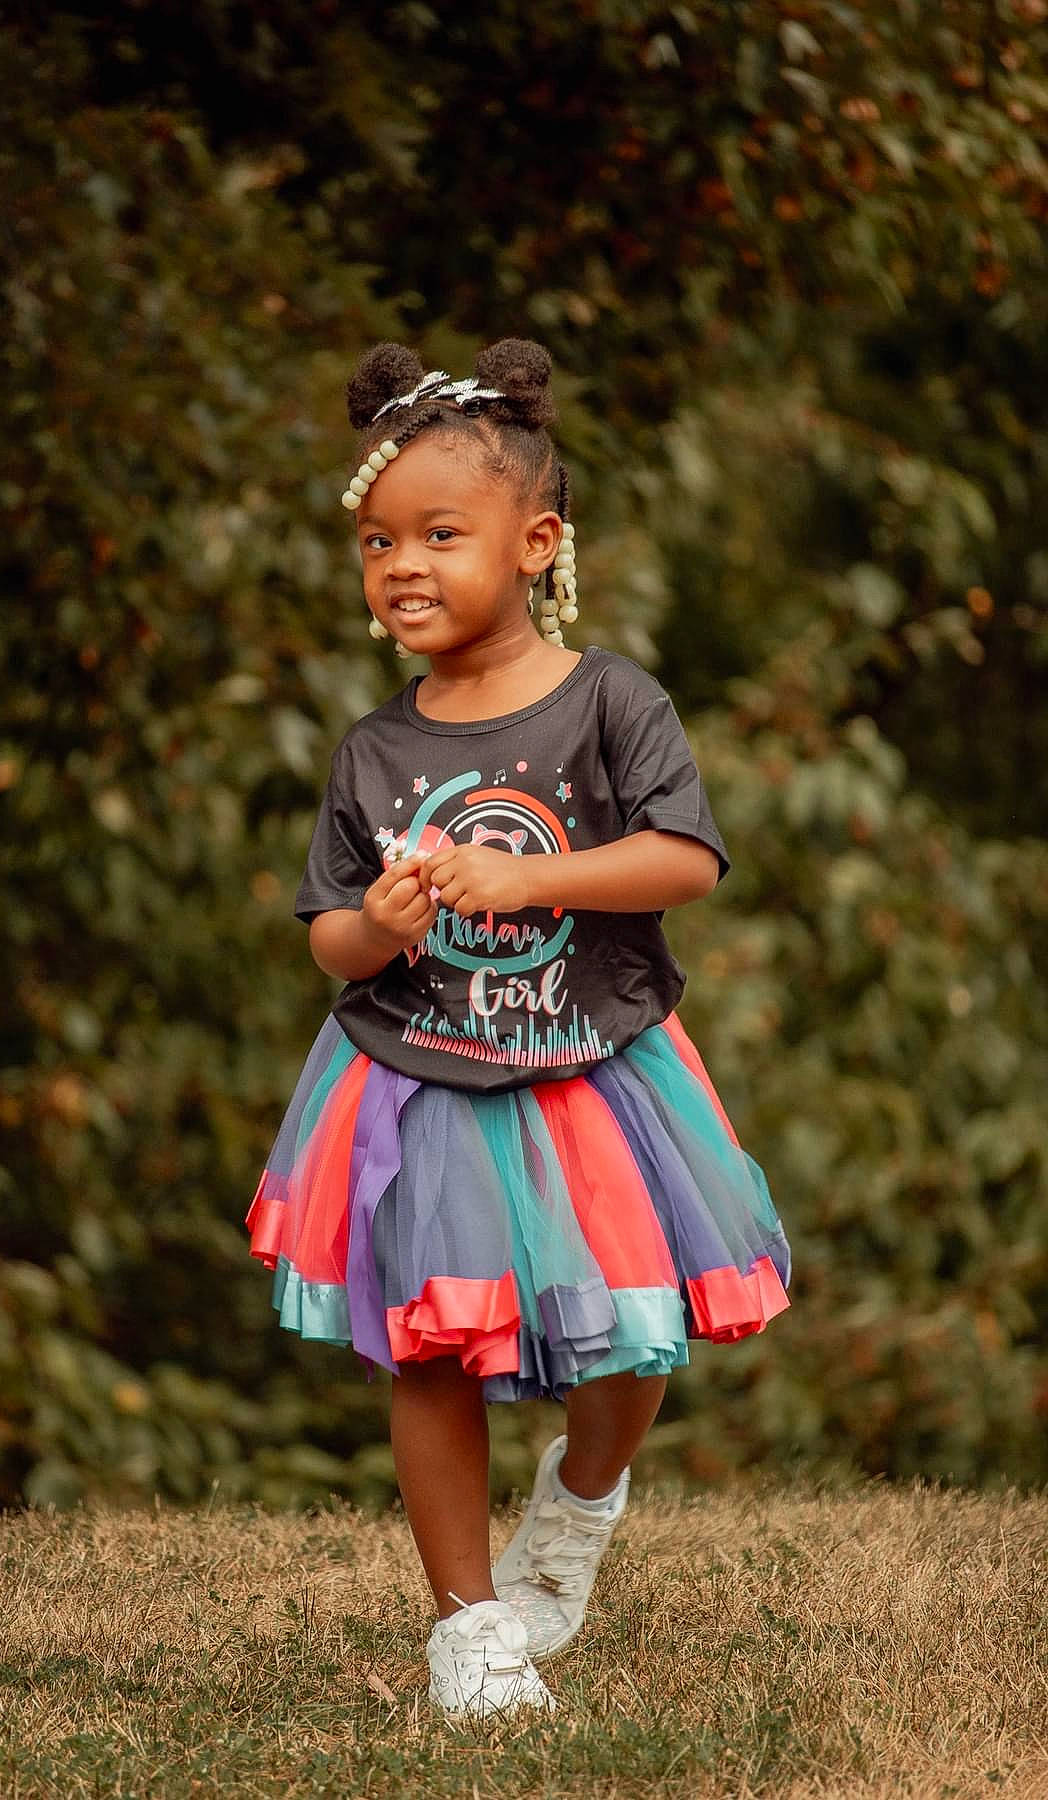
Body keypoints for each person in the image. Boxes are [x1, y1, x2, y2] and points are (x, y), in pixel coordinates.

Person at [246, 338, 791, 1721]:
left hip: (592, 1068)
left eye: (440, 533)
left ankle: (582, 1498)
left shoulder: (611, 701)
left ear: (537, 542)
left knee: (631, 1334)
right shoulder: (375, 749)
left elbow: (684, 860)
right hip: (418, 1075)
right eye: (377, 541)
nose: (401, 564)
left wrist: (530, 875)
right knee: (427, 1343)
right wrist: (385, 922)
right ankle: (470, 1629)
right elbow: (330, 940)